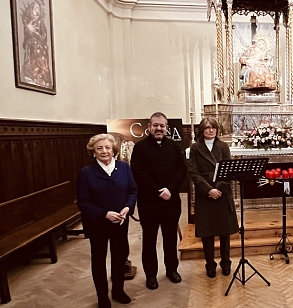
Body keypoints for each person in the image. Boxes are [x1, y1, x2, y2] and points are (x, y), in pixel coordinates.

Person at [76, 134, 137, 308]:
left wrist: (127, 207)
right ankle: (102, 296)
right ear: (93, 152)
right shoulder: (86, 173)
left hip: (120, 222)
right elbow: (83, 202)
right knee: (99, 260)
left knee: (119, 257)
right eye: (99, 148)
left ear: (113, 150)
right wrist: (104, 214)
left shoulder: (124, 168)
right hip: (98, 224)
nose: (104, 151)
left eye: (107, 148)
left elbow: (132, 191)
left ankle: (118, 290)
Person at [130, 112, 188, 290]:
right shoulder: (140, 148)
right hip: (149, 202)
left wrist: (170, 188)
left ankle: (172, 270)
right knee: (149, 240)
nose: (159, 128)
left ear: (167, 128)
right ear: (149, 127)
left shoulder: (174, 147)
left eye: (162, 126)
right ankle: (151, 275)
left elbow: (182, 170)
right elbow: (138, 173)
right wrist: (158, 190)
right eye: (155, 125)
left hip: (171, 201)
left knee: (170, 238)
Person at [188, 117, 239, 278]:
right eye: (207, 128)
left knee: (224, 232)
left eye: (213, 128)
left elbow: (229, 169)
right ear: (202, 130)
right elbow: (193, 173)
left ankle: (226, 263)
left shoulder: (223, 146)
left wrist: (219, 188)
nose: (211, 130)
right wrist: (209, 190)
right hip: (205, 195)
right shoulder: (195, 148)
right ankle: (210, 264)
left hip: (222, 193)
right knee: (207, 233)